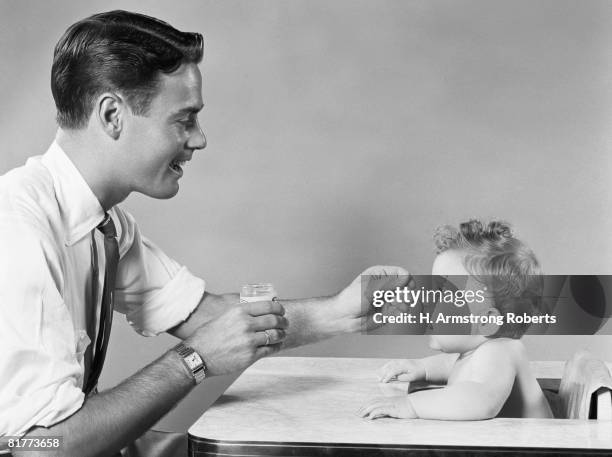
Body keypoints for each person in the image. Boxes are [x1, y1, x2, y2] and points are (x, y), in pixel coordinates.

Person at [0, 10, 409, 457]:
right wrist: (194, 361)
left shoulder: (108, 225)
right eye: (184, 119)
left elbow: (204, 316)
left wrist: (340, 312)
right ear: (113, 115)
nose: (200, 139)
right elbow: (42, 446)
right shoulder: (18, 227)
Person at [358, 220, 553, 420]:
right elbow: (452, 364)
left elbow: (480, 400)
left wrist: (411, 405)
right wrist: (422, 369)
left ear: (487, 322)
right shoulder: (480, 352)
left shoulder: (501, 351)